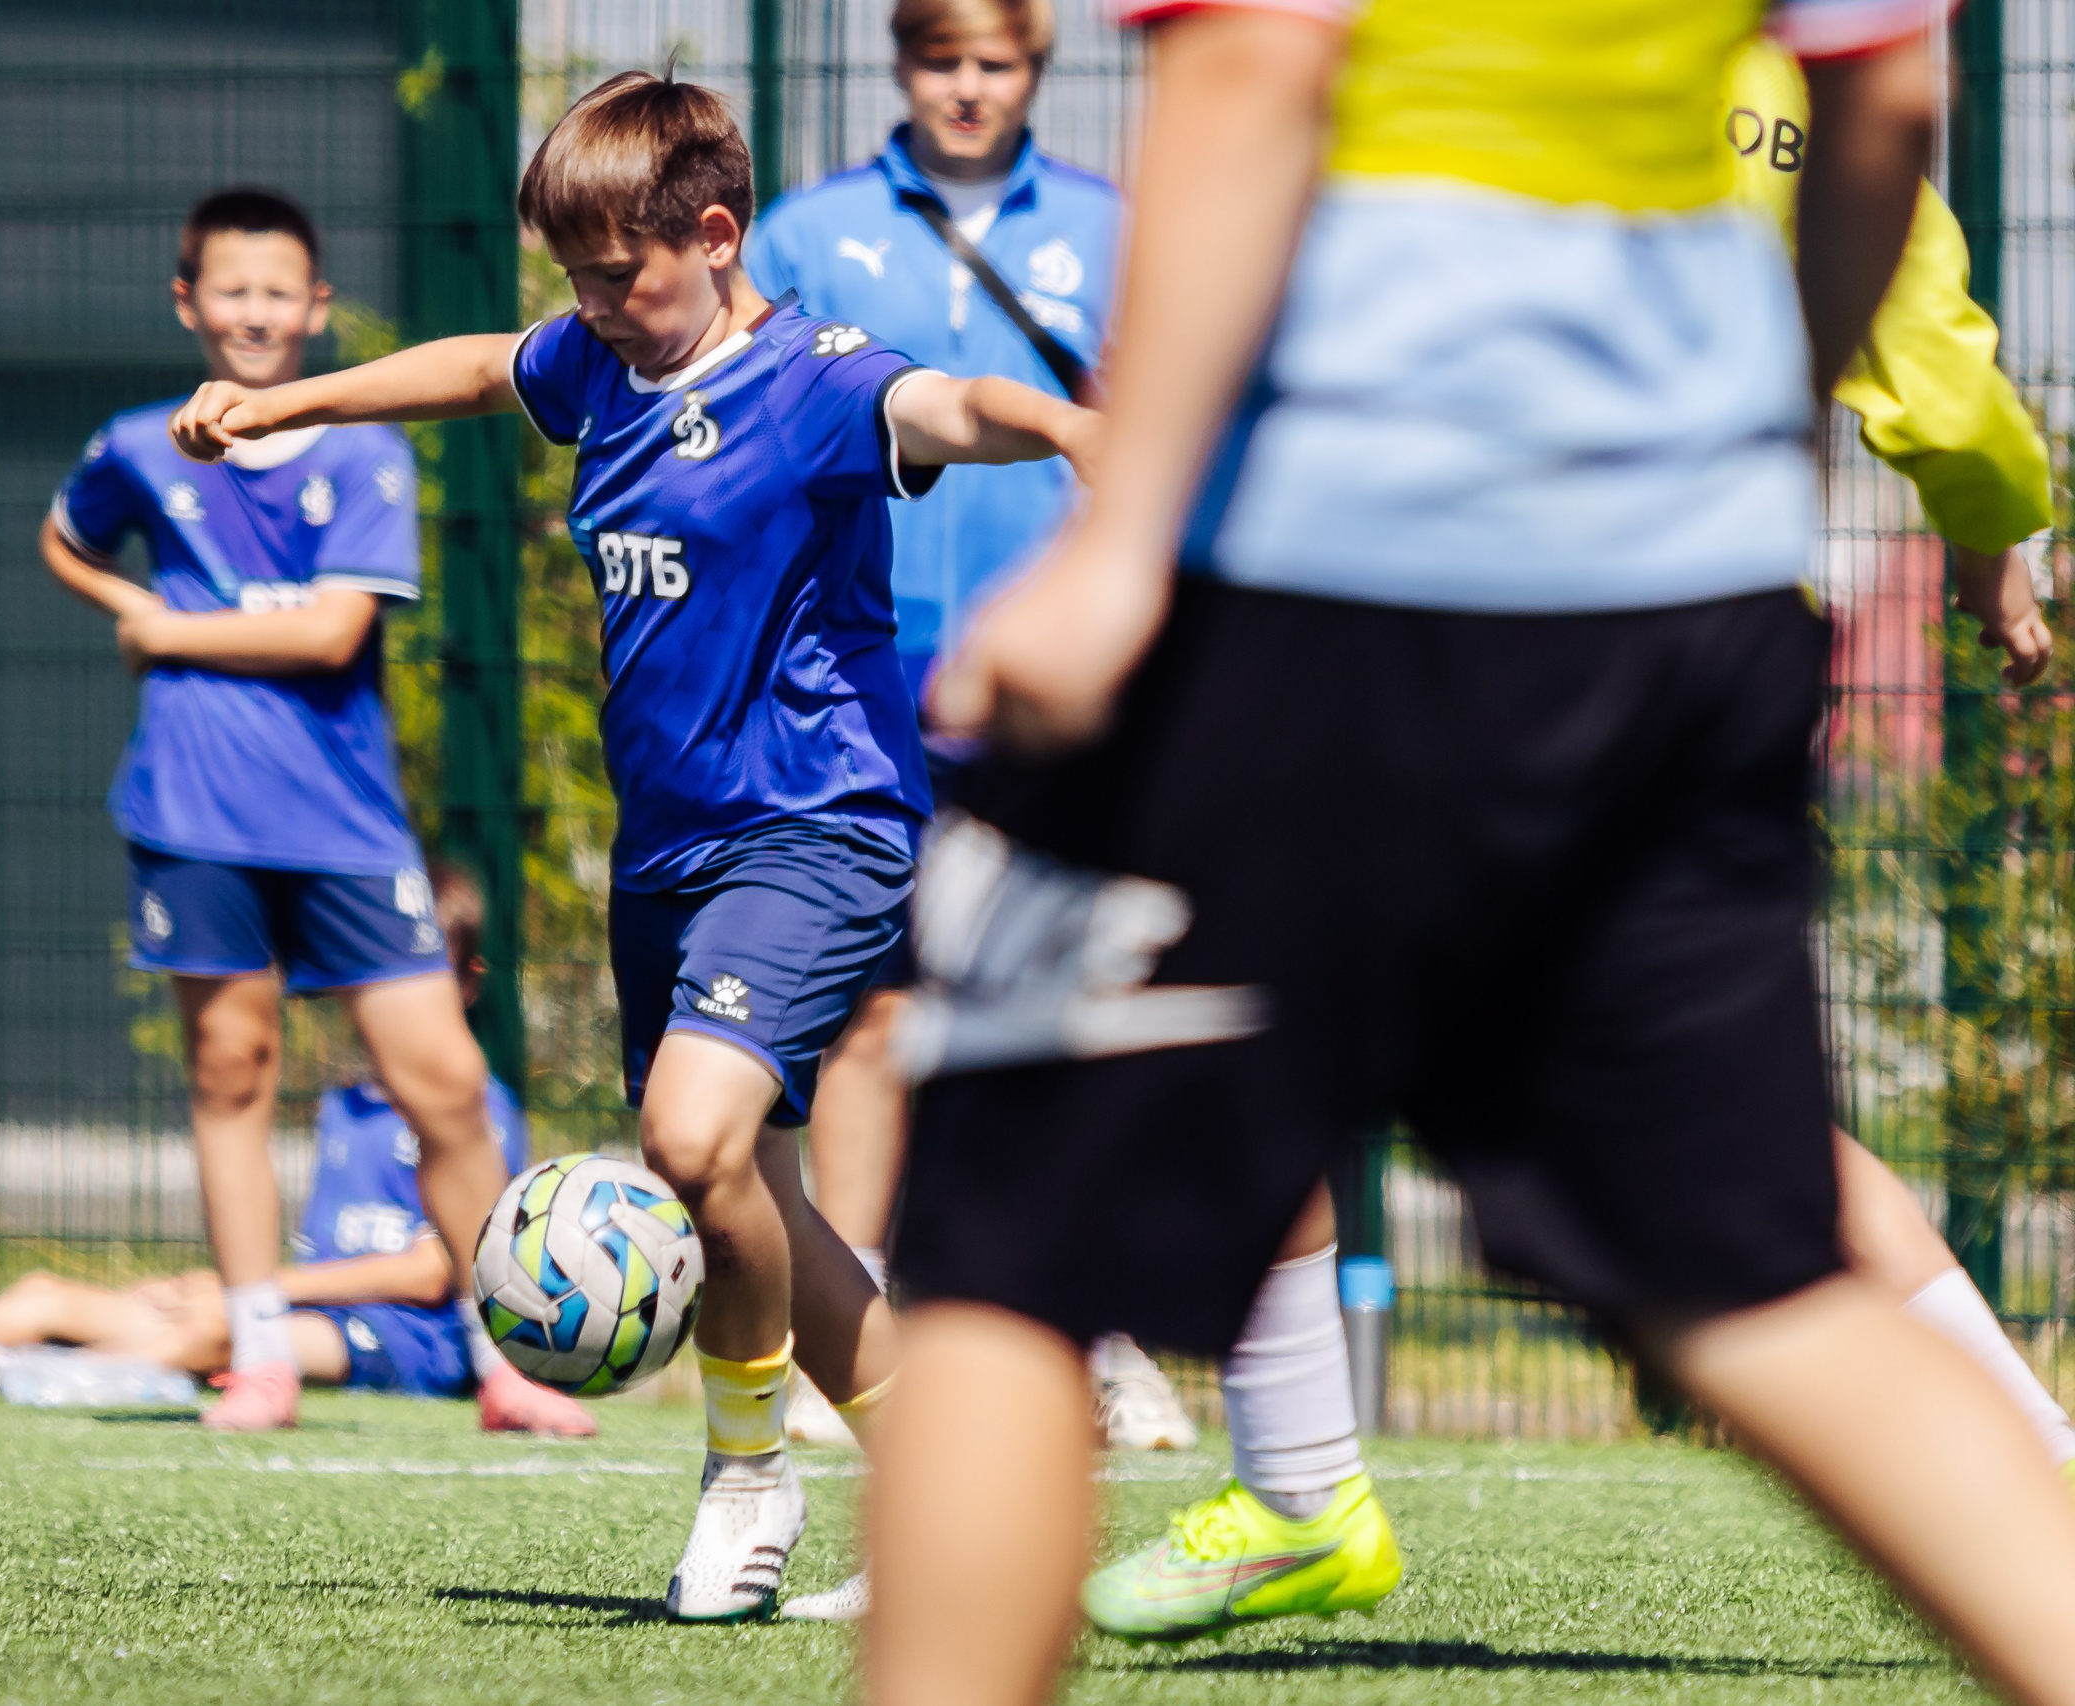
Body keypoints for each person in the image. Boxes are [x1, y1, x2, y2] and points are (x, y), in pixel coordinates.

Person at [869, 0, 2075, 1701]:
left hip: (1316, 564)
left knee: (1001, 1273)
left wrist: (1120, 539)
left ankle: (1293, 1490)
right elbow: (1882, 97)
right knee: (1764, 1288)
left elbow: (1255, 60)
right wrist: (1738, 447)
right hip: (1682, 596)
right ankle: (1303, 1487)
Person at [165, 70, 1096, 1622]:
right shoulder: (601, 362)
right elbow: (481, 366)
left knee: (690, 1137)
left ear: (716, 237)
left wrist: (1065, 422)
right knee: (750, 1194)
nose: (592, 307)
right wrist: (286, 403)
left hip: (819, 824)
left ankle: (747, 1477)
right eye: (576, 279)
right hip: (667, 852)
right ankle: (962, 1501)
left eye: (618, 276)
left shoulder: (812, 381)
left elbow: (947, 408)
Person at [37, 185, 587, 1437]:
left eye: (278, 292)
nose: (254, 313)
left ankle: (505, 1357)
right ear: (187, 302)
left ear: (316, 306)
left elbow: (335, 630)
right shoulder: (137, 444)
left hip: (346, 823)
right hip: (191, 810)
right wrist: (128, 605)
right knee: (230, 1071)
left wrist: (169, 629)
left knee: (444, 1082)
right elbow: (67, 541)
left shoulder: (362, 451)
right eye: (230, 290)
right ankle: (260, 1355)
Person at [744, 0, 1193, 1459]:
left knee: (1068, 1012)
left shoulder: (1112, 229)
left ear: (1034, 71)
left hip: (1060, 681)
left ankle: (1101, 1334)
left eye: (994, 63)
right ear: (902, 65)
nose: (967, 88)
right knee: (873, 1013)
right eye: (942, 60)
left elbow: (1167, 423)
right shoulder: (809, 234)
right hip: (863, 684)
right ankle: (854, 1329)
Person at [0, 866, 527, 1402]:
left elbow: (433, 1271)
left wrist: (259, 1290)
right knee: (47, 1296)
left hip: (404, 1339)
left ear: (468, 983)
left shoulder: (476, 1113)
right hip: (304, 1305)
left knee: (216, 1331)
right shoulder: (344, 1104)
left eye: (422, 976)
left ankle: (16, 1374)